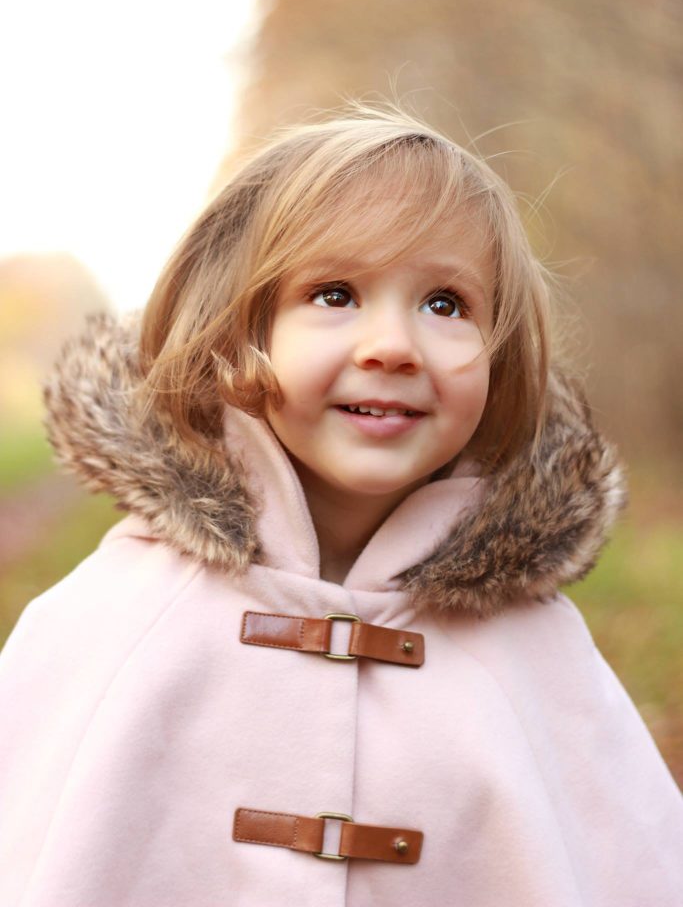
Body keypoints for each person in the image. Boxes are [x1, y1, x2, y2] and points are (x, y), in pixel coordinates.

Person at [1, 101, 681, 907]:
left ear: (499, 353)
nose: (391, 346)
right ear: (235, 332)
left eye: (444, 304)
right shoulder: (118, 619)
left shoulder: (534, 655)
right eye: (332, 294)